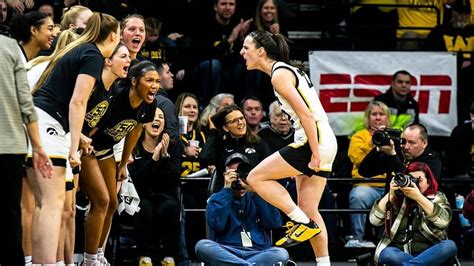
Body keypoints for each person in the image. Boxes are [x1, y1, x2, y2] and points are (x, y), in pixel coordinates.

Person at [28, 12, 120, 264]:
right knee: (53, 204)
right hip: (49, 124)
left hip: (39, 122)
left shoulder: (81, 50)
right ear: (113, 36)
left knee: (43, 204)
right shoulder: (92, 55)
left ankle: (38, 263)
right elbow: (77, 102)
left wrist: (77, 137)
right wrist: (73, 147)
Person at [240, 30, 338, 265]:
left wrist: (314, 152)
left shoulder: (279, 75)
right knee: (310, 209)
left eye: (246, 47)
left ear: (261, 51)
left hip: (313, 140)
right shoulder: (286, 70)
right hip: (325, 139)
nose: (242, 52)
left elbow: (306, 114)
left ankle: (300, 221)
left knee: (255, 178)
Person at [81, 59, 160, 265]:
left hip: (106, 150)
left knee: (113, 203)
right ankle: (89, 259)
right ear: (134, 81)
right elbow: (92, 126)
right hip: (87, 148)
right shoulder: (116, 97)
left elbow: (135, 129)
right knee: (102, 201)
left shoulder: (149, 104)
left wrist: (123, 163)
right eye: (149, 80)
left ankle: (99, 254)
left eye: (157, 81)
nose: (155, 85)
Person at [0, 34, 52, 266]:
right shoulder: (10, 47)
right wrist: (39, 146)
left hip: (11, 143)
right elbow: (26, 103)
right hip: (10, 145)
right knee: (10, 214)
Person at [195, 153, 289, 265]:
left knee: (281, 253)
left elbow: (274, 223)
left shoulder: (261, 196)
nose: (239, 177)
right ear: (225, 175)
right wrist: (227, 190)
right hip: (227, 251)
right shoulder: (216, 198)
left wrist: (256, 191)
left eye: (242, 172)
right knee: (202, 246)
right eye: (234, 173)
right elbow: (217, 225)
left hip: (258, 252)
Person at [369, 162, 457, 265]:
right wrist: (391, 194)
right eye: (410, 179)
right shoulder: (397, 199)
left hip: (432, 253)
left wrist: (418, 197)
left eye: (418, 180)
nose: (413, 184)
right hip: (401, 253)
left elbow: (444, 221)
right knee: (387, 253)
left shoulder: (437, 197)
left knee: (449, 246)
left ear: (428, 182)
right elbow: (374, 221)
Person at [128, 107, 180, 266]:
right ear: (143, 123)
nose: (157, 120)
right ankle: (144, 256)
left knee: (170, 206)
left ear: (164, 124)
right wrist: (154, 159)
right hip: (139, 196)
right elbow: (136, 181)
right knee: (145, 207)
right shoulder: (133, 146)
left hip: (164, 195)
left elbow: (172, 180)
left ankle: (169, 257)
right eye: (153, 116)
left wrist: (164, 157)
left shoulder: (173, 146)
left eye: (161, 117)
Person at [345, 101, 391, 248]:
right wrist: (374, 142)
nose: (378, 118)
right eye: (374, 114)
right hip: (367, 185)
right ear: (368, 118)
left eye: (381, 114)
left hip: (391, 186)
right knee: (358, 196)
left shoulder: (395, 135)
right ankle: (357, 239)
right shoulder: (359, 136)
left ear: (387, 118)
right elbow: (357, 159)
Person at [192, 0, 253, 105]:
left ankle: (246, 104)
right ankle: (209, 106)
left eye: (231, 4)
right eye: (224, 4)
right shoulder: (205, 25)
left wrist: (242, 39)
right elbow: (207, 54)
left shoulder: (238, 25)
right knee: (214, 65)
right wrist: (230, 39)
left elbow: (238, 57)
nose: (228, 7)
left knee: (248, 64)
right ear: (215, 7)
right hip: (205, 68)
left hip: (229, 69)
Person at [200, 105, 270, 194]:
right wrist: (213, 132)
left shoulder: (258, 143)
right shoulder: (220, 145)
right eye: (234, 121)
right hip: (226, 193)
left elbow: (267, 171)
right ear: (225, 127)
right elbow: (204, 159)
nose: (240, 122)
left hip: (252, 194)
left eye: (242, 118)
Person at [359, 123, 443, 184]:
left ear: (424, 143)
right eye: (403, 141)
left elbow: (415, 184)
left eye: (412, 143)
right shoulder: (398, 153)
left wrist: (393, 156)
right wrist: (378, 147)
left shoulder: (432, 160)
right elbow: (365, 171)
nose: (406, 147)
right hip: (391, 206)